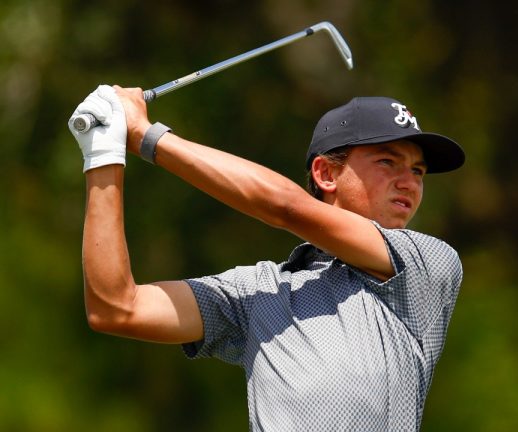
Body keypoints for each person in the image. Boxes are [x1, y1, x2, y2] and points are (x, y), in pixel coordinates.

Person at [67, 85, 466, 431]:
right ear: (326, 174)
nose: (408, 181)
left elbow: (284, 207)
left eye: (418, 170)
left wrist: (146, 136)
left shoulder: (426, 263)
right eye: (387, 161)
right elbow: (117, 308)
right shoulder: (261, 292)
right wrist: (104, 155)